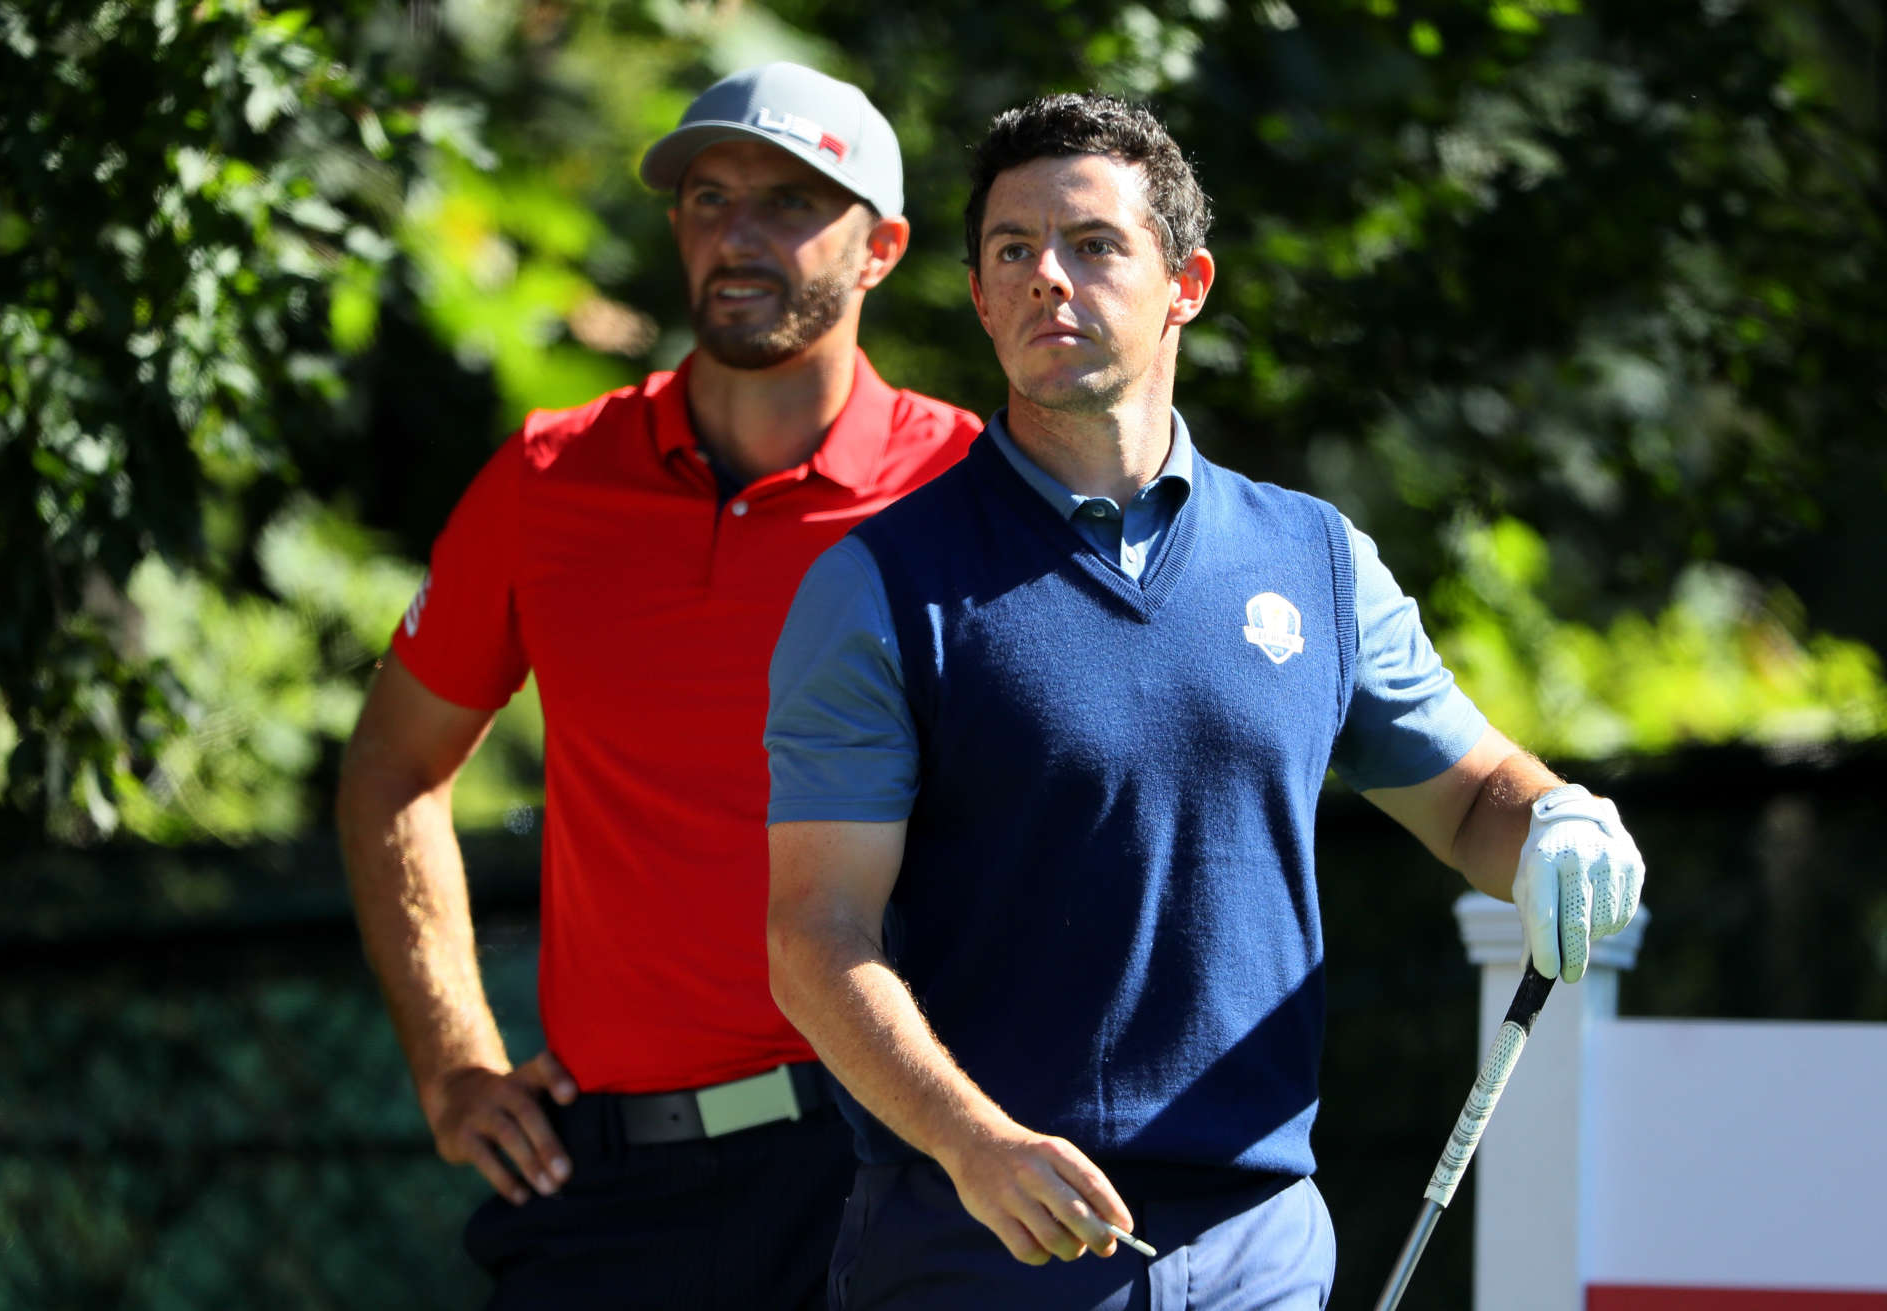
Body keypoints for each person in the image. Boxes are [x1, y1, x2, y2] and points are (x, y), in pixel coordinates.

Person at [762, 92, 1645, 1310]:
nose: (1047, 281)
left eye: (1094, 245)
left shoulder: (1316, 560)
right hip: (982, 1242)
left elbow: (1472, 799)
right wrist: (974, 1141)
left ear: (1186, 283)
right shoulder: (878, 585)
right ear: (975, 296)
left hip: (1260, 1250)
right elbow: (816, 939)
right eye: (1012, 252)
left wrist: (1558, 823)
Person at [336, 63, 980, 1310]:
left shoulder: (971, 490)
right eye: (706, 197)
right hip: (616, 1193)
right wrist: (455, 1061)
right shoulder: (547, 477)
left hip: (894, 1169)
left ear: (883, 247)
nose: (736, 235)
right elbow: (392, 768)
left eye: (790, 202)